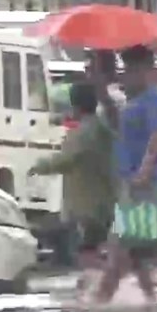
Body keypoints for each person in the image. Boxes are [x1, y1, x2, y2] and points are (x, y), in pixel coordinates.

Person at [94, 45, 157, 305]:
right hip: (140, 181)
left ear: (144, 70)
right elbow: (121, 127)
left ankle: (99, 304)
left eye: (129, 70)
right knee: (141, 248)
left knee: (128, 247)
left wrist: (143, 172)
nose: (125, 76)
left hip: (150, 183)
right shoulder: (138, 100)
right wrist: (101, 89)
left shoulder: (155, 99)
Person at [28, 81, 115, 296]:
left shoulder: (83, 132)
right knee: (91, 249)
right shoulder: (101, 128)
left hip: (89, 204)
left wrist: (38, 166)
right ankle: (98, 288)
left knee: (86, 252)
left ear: (76, 106)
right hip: (103, 199)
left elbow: (66, 159)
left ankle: (112, 282)